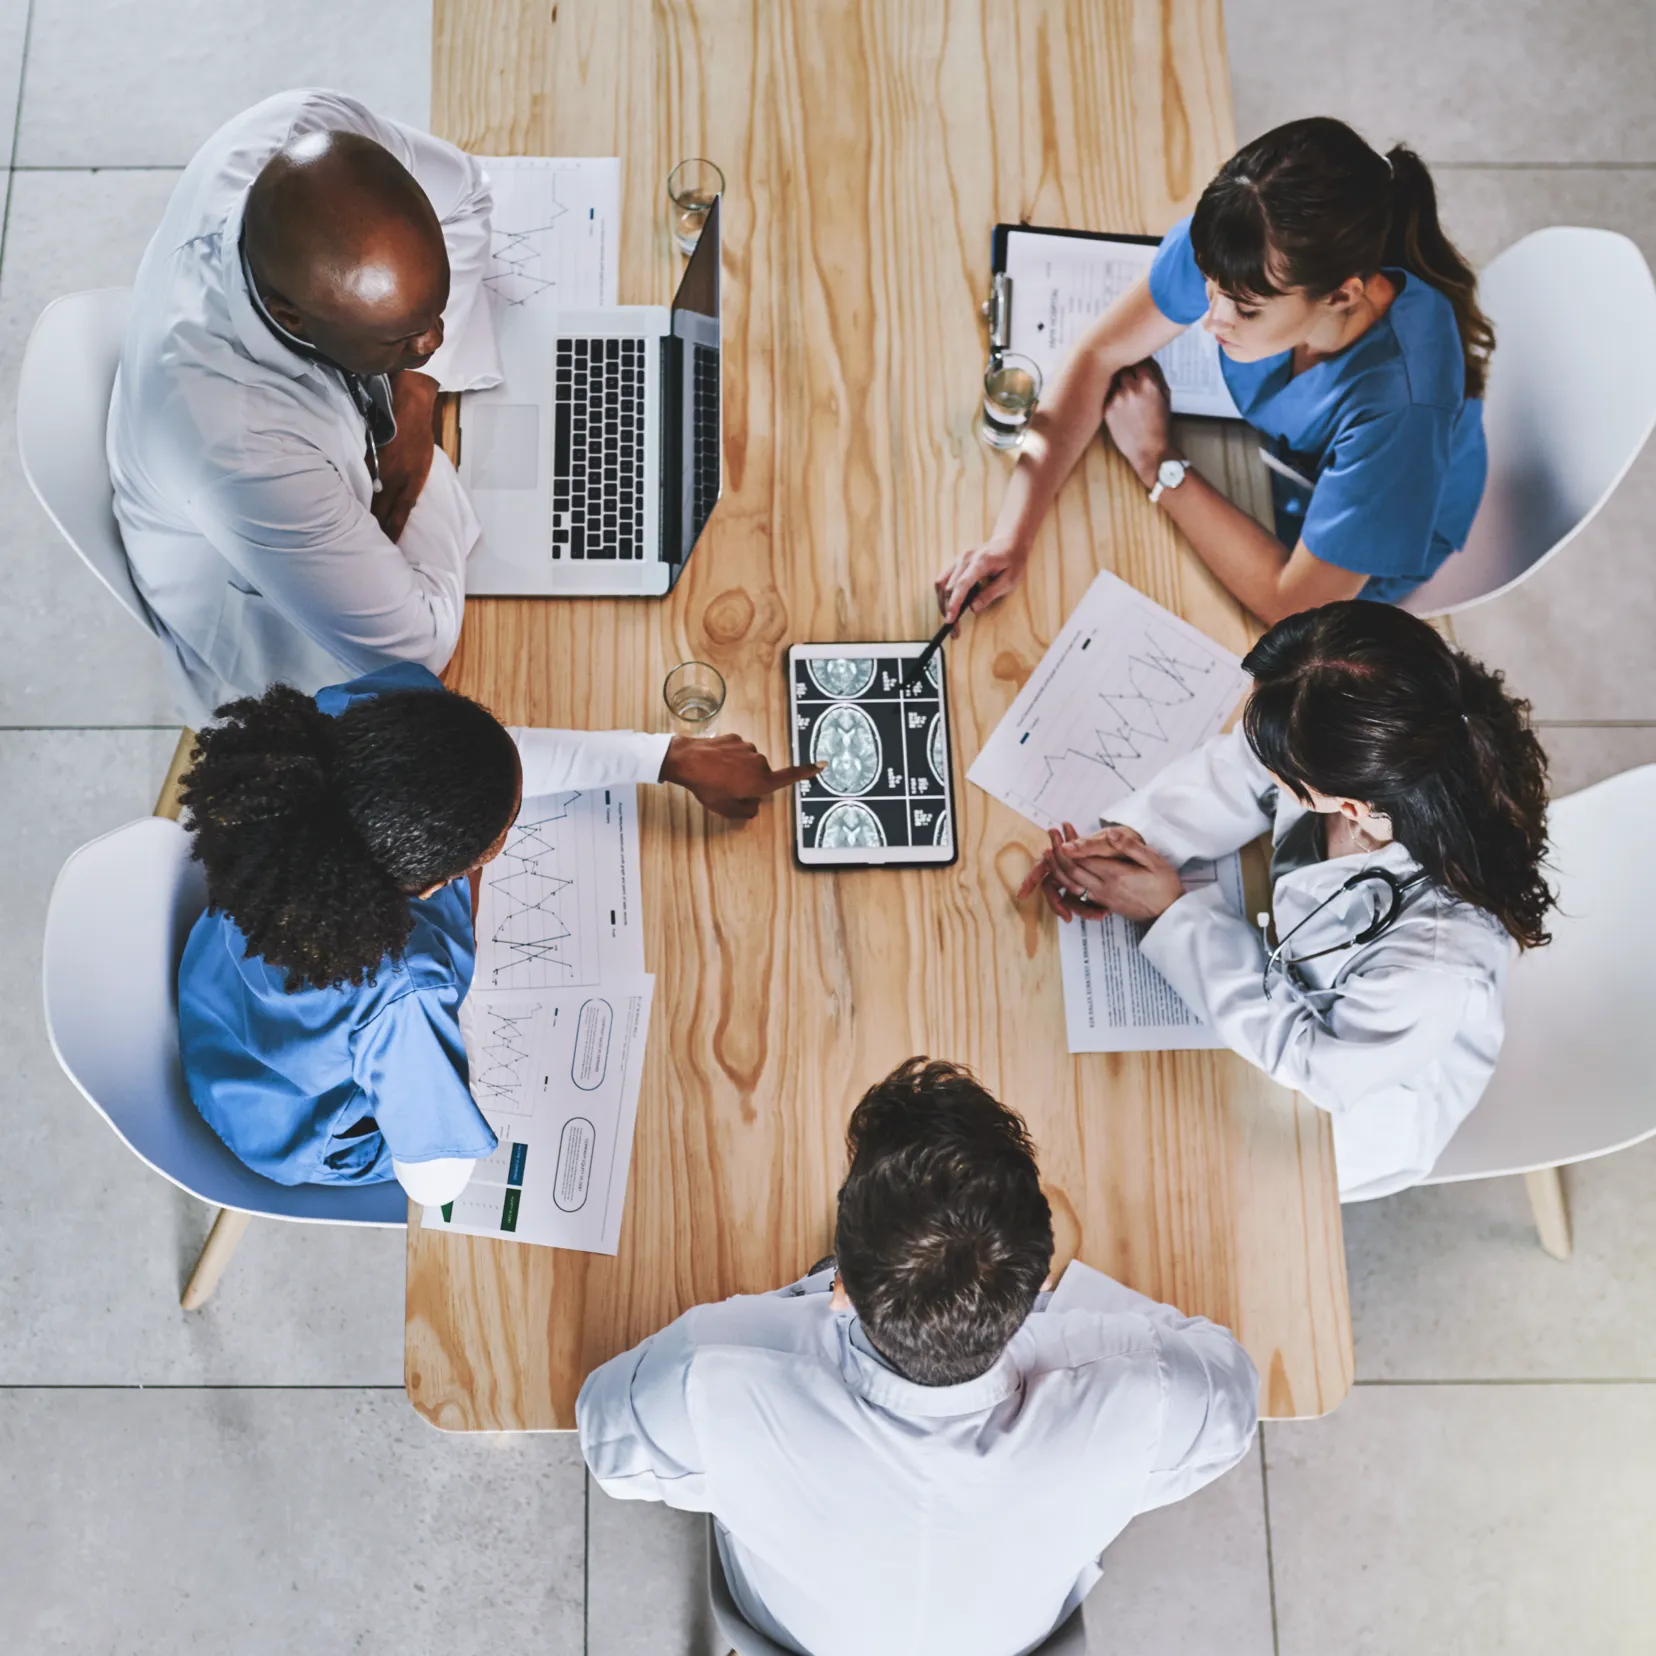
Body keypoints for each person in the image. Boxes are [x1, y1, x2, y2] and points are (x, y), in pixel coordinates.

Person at [577, 1057, 1259, 1656]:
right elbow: (1233, 1398)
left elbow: (606, 1437)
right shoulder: (1144, 1392)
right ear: (1034, 1275)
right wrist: (1068, 1290)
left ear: (842, 1283)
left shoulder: (717, 1373)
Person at [176, 661, 817, 1204]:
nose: (506, 842)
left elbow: (497, 755)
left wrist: (669, 757)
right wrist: (467, 1050)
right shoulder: (405, 996)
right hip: (293, 1121)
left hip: (216, 994)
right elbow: (435, 1181)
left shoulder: (349, 728)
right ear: (431, 886)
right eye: (496, 844)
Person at [1020, 602, 1553, 1201]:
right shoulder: (1371, 716)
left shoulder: (1433, 966)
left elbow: (1313, 1060)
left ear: (1347, 807)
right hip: (1303, 999)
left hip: (1346, 1108)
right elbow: (1244, 766)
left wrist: (1172, 914)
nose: (1263, 764)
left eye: (1285, 774)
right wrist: (1143, 841)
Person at [938, 117, 1493, 628]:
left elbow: (1295, 603)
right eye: (1209, 285)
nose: (1212, 319)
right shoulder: (1242, 243)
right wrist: (1010, 538)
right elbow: (1099, 355)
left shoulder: (1401, 408)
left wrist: (1158, 460)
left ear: (1341, 294)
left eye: (1245, 310)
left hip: (1355, 558)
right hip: (1293, 465)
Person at [109, 89, 506, 729]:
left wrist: (416, 392)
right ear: (292, 315)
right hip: (273, 632)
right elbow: (415, 648)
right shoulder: (238, 444)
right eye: (402, 339)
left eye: (436, 312)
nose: (432, 344)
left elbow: (464, 195)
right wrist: (420, 453)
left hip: (296, 499)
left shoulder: (303, 127)